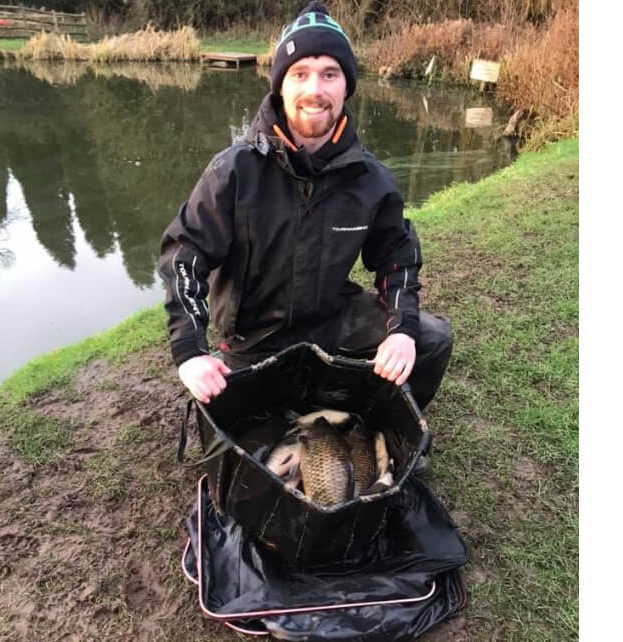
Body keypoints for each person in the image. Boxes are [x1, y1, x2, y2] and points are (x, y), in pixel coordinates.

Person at [157, 1, 452, 410]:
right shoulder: (234, 170)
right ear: (280, 84)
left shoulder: (372, 180)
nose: (315, 89)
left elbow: (398, 257)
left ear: (346, 85)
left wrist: (401, 330)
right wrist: (189, 352)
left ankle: (380, 426)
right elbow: (182, 257)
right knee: (239, 426)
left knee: (432, 340)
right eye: (300, 74)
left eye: (330, 74)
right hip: (252, 340)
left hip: (332, 322)